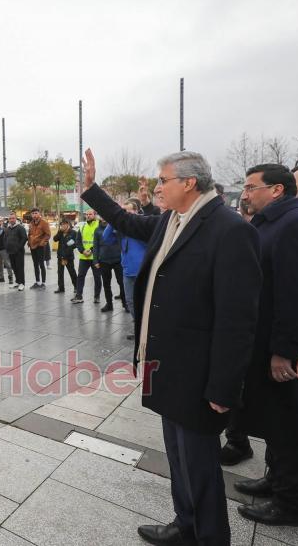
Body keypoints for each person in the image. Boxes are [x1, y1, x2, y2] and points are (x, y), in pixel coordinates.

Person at [81, 148, 261, 546]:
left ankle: (211, 536)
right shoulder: (172, 220)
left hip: (198, 376)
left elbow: (238, 319)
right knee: (178, 459)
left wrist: (224, 387)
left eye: (163, 180)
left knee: (200, 465)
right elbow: (126, 220)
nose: (157, 187)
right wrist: (92, 189)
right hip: (165, 366)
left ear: (189, 182)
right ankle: (186, 525)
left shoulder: (230, 230)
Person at [233, 164, 298, 528]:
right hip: (263, 342)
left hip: (283, 350)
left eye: (251, 187)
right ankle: (276, 478)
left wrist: (284, 350)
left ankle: (291, 503)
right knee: (274, 422)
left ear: (277, 190)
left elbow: (295, 295)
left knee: (289, 425)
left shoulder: (296, 223)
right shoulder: (270, 221)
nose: (245, 194)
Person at [103, 199, 147, 339]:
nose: (125, 214)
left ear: (136, 211)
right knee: (130, 301)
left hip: (143, 270)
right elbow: (106, 238)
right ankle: (138, 326)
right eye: (124, 211)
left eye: (128, 211)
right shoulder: (122, 228)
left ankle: (146, 328)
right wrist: (114, 220)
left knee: (145, 301)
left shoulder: (142, 224)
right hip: (127, 270)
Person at [94, 217, 126, 313]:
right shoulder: (97, 230)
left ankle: (125, 303)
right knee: (106, 284)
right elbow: (95, 246)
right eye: (101, 216)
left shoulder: (115, 227)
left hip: (118, 260)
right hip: (104, 261)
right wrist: (95, 260)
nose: (103, 218)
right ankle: (109, 304)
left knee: (121, 283)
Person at [72, 210, 101, 304]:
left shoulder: (99, 225)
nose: (88, 216)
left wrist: (91, 250)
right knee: (80, 276)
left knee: (97, 277)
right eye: (87, 214)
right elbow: (78, 241)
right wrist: (82, 250)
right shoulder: (83, 226)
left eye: (90, 214)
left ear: (95, 215)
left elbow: (100, 241)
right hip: (84, 257)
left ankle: (97, 297)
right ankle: (79, 296)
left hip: (95, 257)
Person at [53, 219, 79, 295]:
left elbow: (76, 243)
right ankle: (61, 288)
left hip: (69, 256)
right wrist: (59, 232)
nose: (63, 226)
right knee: (60, 273)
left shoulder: (73, 233)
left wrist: (69, 247)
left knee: (72, 272)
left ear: (68, 224)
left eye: (64, 224)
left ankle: (76, 287)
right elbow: (55, 239)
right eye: (61, 224)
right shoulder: (60, 232)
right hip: (60, 256)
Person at [27, 208, 50, 289]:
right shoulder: (31, 223)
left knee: (41, 265)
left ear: (39, 214)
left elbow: (48, 234)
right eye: (33, 213)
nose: (34, 215)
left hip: (40, 247)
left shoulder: (44, 223)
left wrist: (42, 243)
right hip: (32, 247)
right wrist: (29, 242)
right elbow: (29, 234)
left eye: (36, 213)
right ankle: (37, 282)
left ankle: (43, 283)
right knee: (35, 265)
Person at [5, 212, 28, 291]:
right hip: (10, 251)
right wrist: (6, 247)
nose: (11, 220)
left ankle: (22, 283)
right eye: (10, 218)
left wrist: (18, 247)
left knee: (20, 267)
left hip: (19, 252)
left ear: (16, 218)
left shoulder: (20, 227)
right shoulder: (8, 229)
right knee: (14, 267)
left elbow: (24, 238)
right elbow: (5, 238)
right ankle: (17, 281)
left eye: (13, 218)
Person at [0, 218, 14, 283]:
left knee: (7, 264)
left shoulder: (6, 229)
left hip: (4, 249)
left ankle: (10, 277)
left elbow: (8, 238)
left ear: (2, 221)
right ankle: (1, 277)